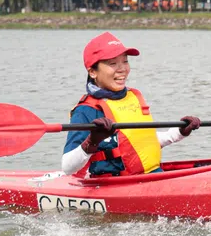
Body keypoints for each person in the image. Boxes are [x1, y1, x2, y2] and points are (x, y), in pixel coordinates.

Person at [61, 32, 200, 178]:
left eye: (125, 61)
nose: (122, 69)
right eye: (112, 63)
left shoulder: (133, 96)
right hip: (116, 187)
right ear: (93, 72)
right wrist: (91, 142)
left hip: (152, 177)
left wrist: (180, 131)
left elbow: (140, 143)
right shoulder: (86, 110)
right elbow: (67, 168)